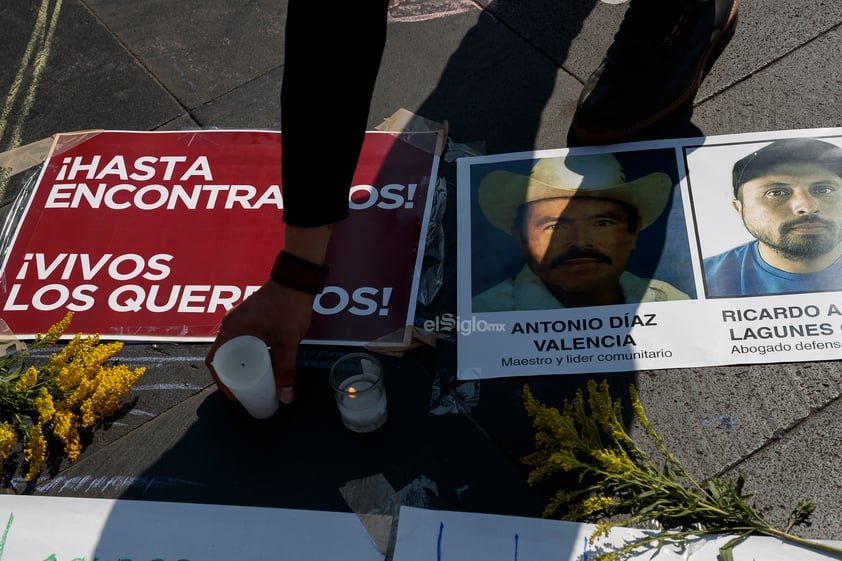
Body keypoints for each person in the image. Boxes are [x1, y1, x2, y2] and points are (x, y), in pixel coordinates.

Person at [205, 0, 737, 408]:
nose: (577, 239)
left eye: (601, 219)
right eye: (551, 219)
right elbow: (332, 30)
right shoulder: (499, 297)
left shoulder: (667, 294)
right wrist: (299, 266)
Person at [472, 154, 690, 311]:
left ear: (634, 232)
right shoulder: (488, 312)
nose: (580, 242)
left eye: (602, 223)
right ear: (521, 237)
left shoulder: (669, 300)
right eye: (555, 226)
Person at [704, 138, 842, 297]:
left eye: (824, 190)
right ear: (739, 209)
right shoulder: (702, 282)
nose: (807, 207)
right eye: (776, 193)